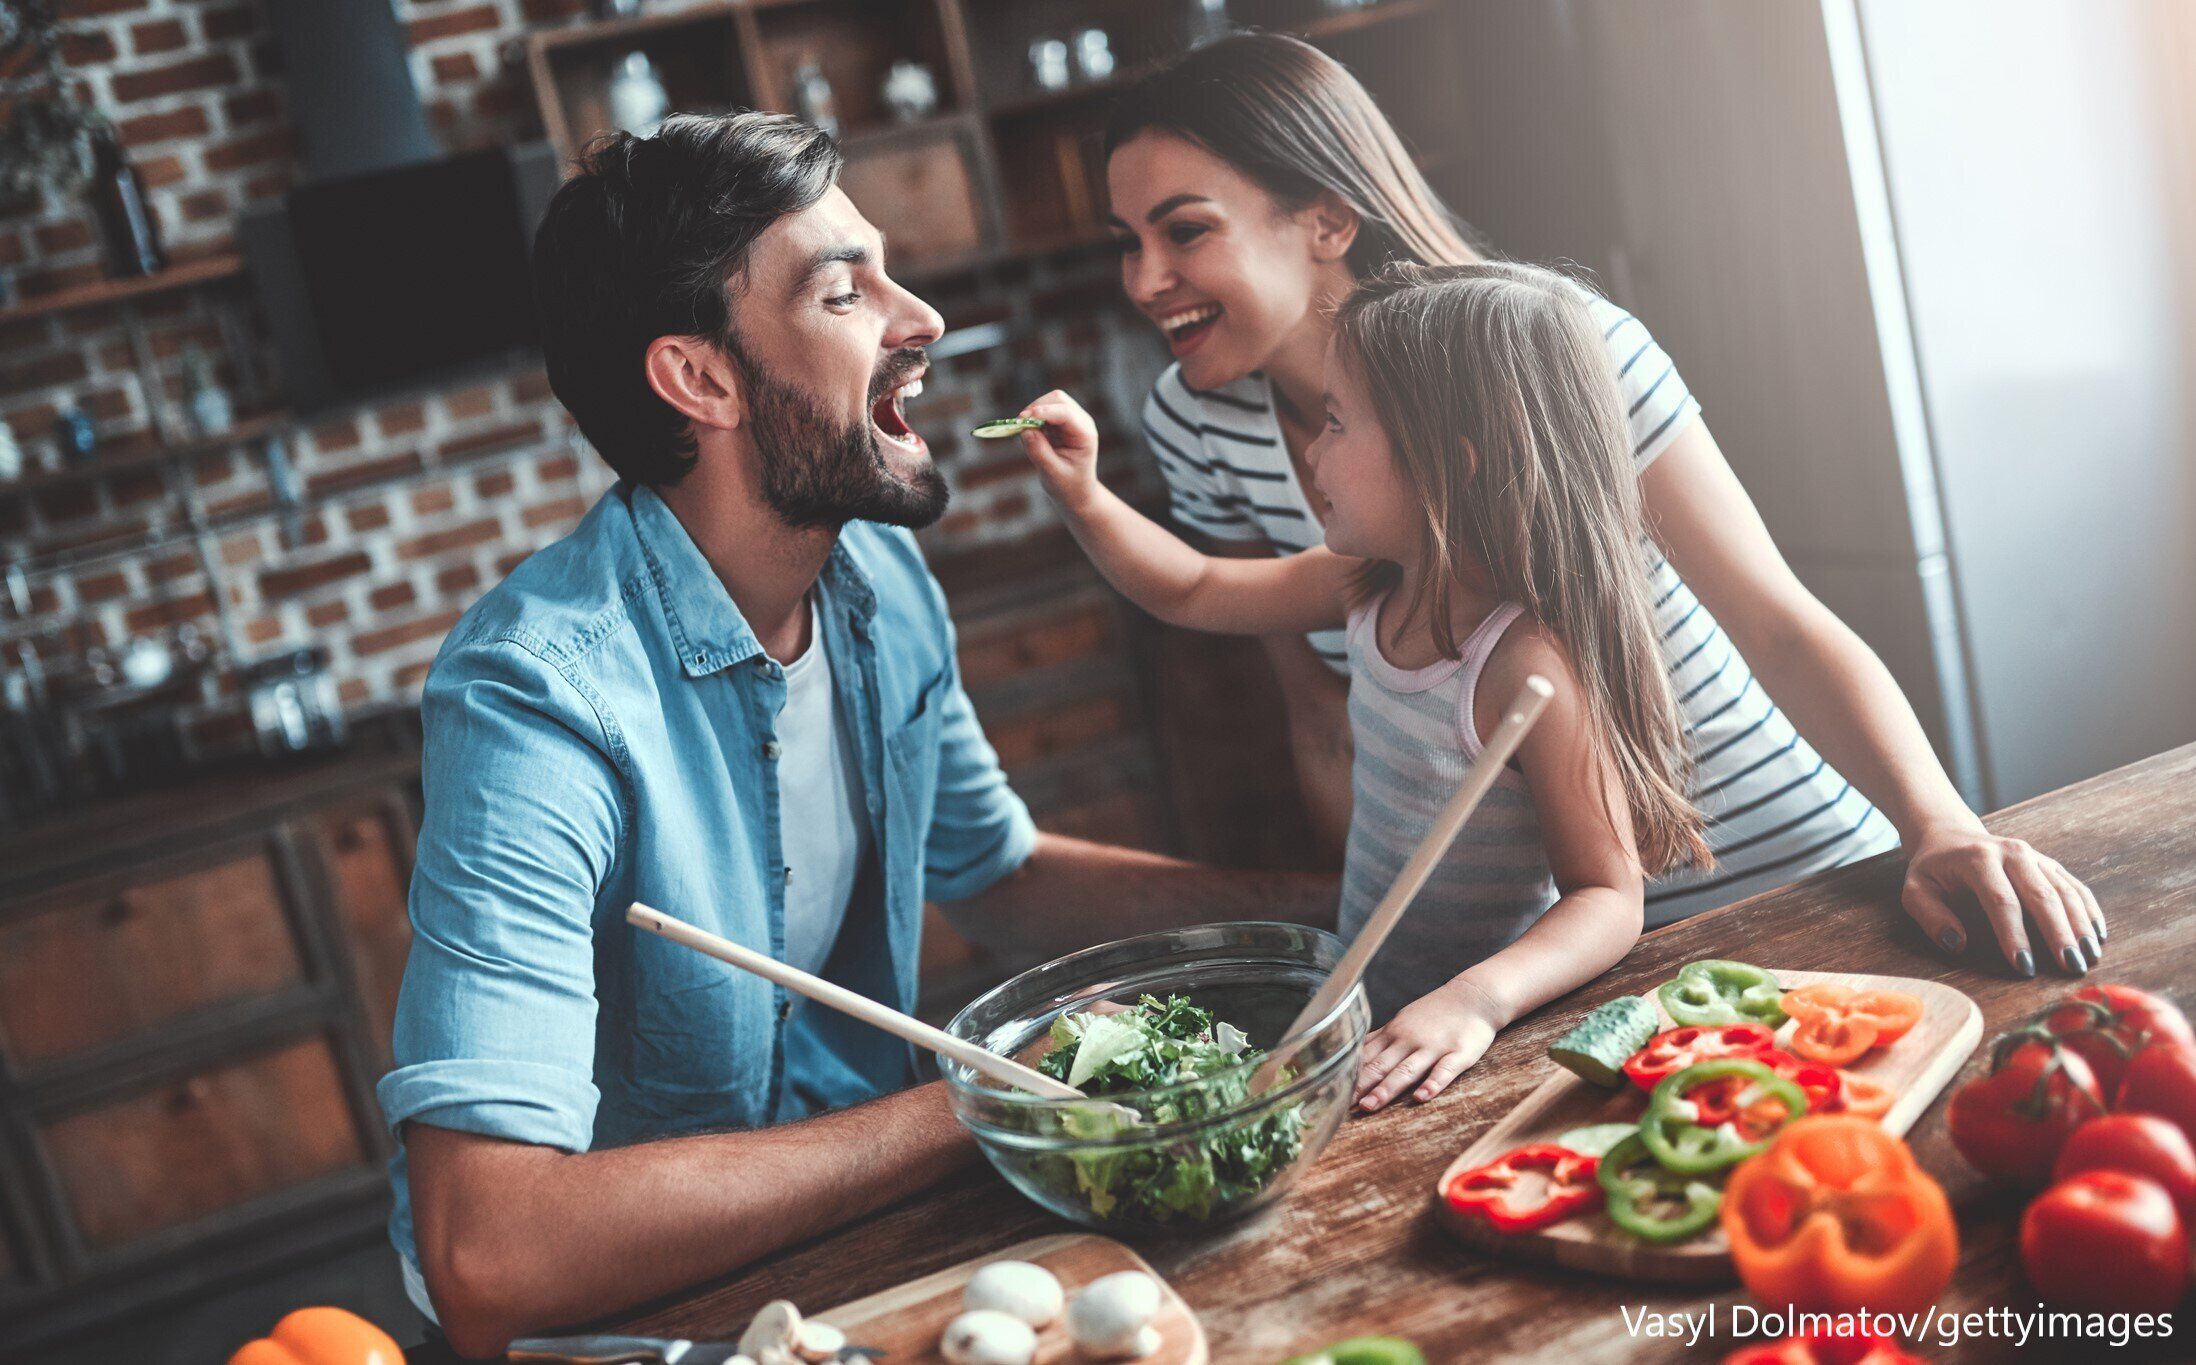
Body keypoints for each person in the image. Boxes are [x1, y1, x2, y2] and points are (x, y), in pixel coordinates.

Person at [379, 112, 1333, 1358]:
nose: (919, 316)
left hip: (854, 1260)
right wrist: (986, 1098)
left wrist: (1335, 918)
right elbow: (490, 1253)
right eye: (846, 292)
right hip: (628, 1325)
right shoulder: (536, 699)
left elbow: (999, 874)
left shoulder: (875, 575)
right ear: (702, 378)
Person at [1102, 32, 2104, 976]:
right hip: (1551, 967)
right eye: (1127, 241)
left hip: (1786, 878)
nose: (1145, 280)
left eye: (1185, 231)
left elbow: (1777, 622)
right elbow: (1324, 722)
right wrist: (1386, 957)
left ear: (1325, 216)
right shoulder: (1196, 422)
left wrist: (1941, 827)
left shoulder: (1559, 345)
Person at [1016, 260, 1706, 1113]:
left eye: (1338, 424)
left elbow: (1608, 897)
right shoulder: (1368, 584)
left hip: (1463, 1056)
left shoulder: (1525, 665)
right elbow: (1192, 586)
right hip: (1366, 1019)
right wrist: (1085, 498)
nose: (1313, 451)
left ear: (1445, 466)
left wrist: (1472, 1004)